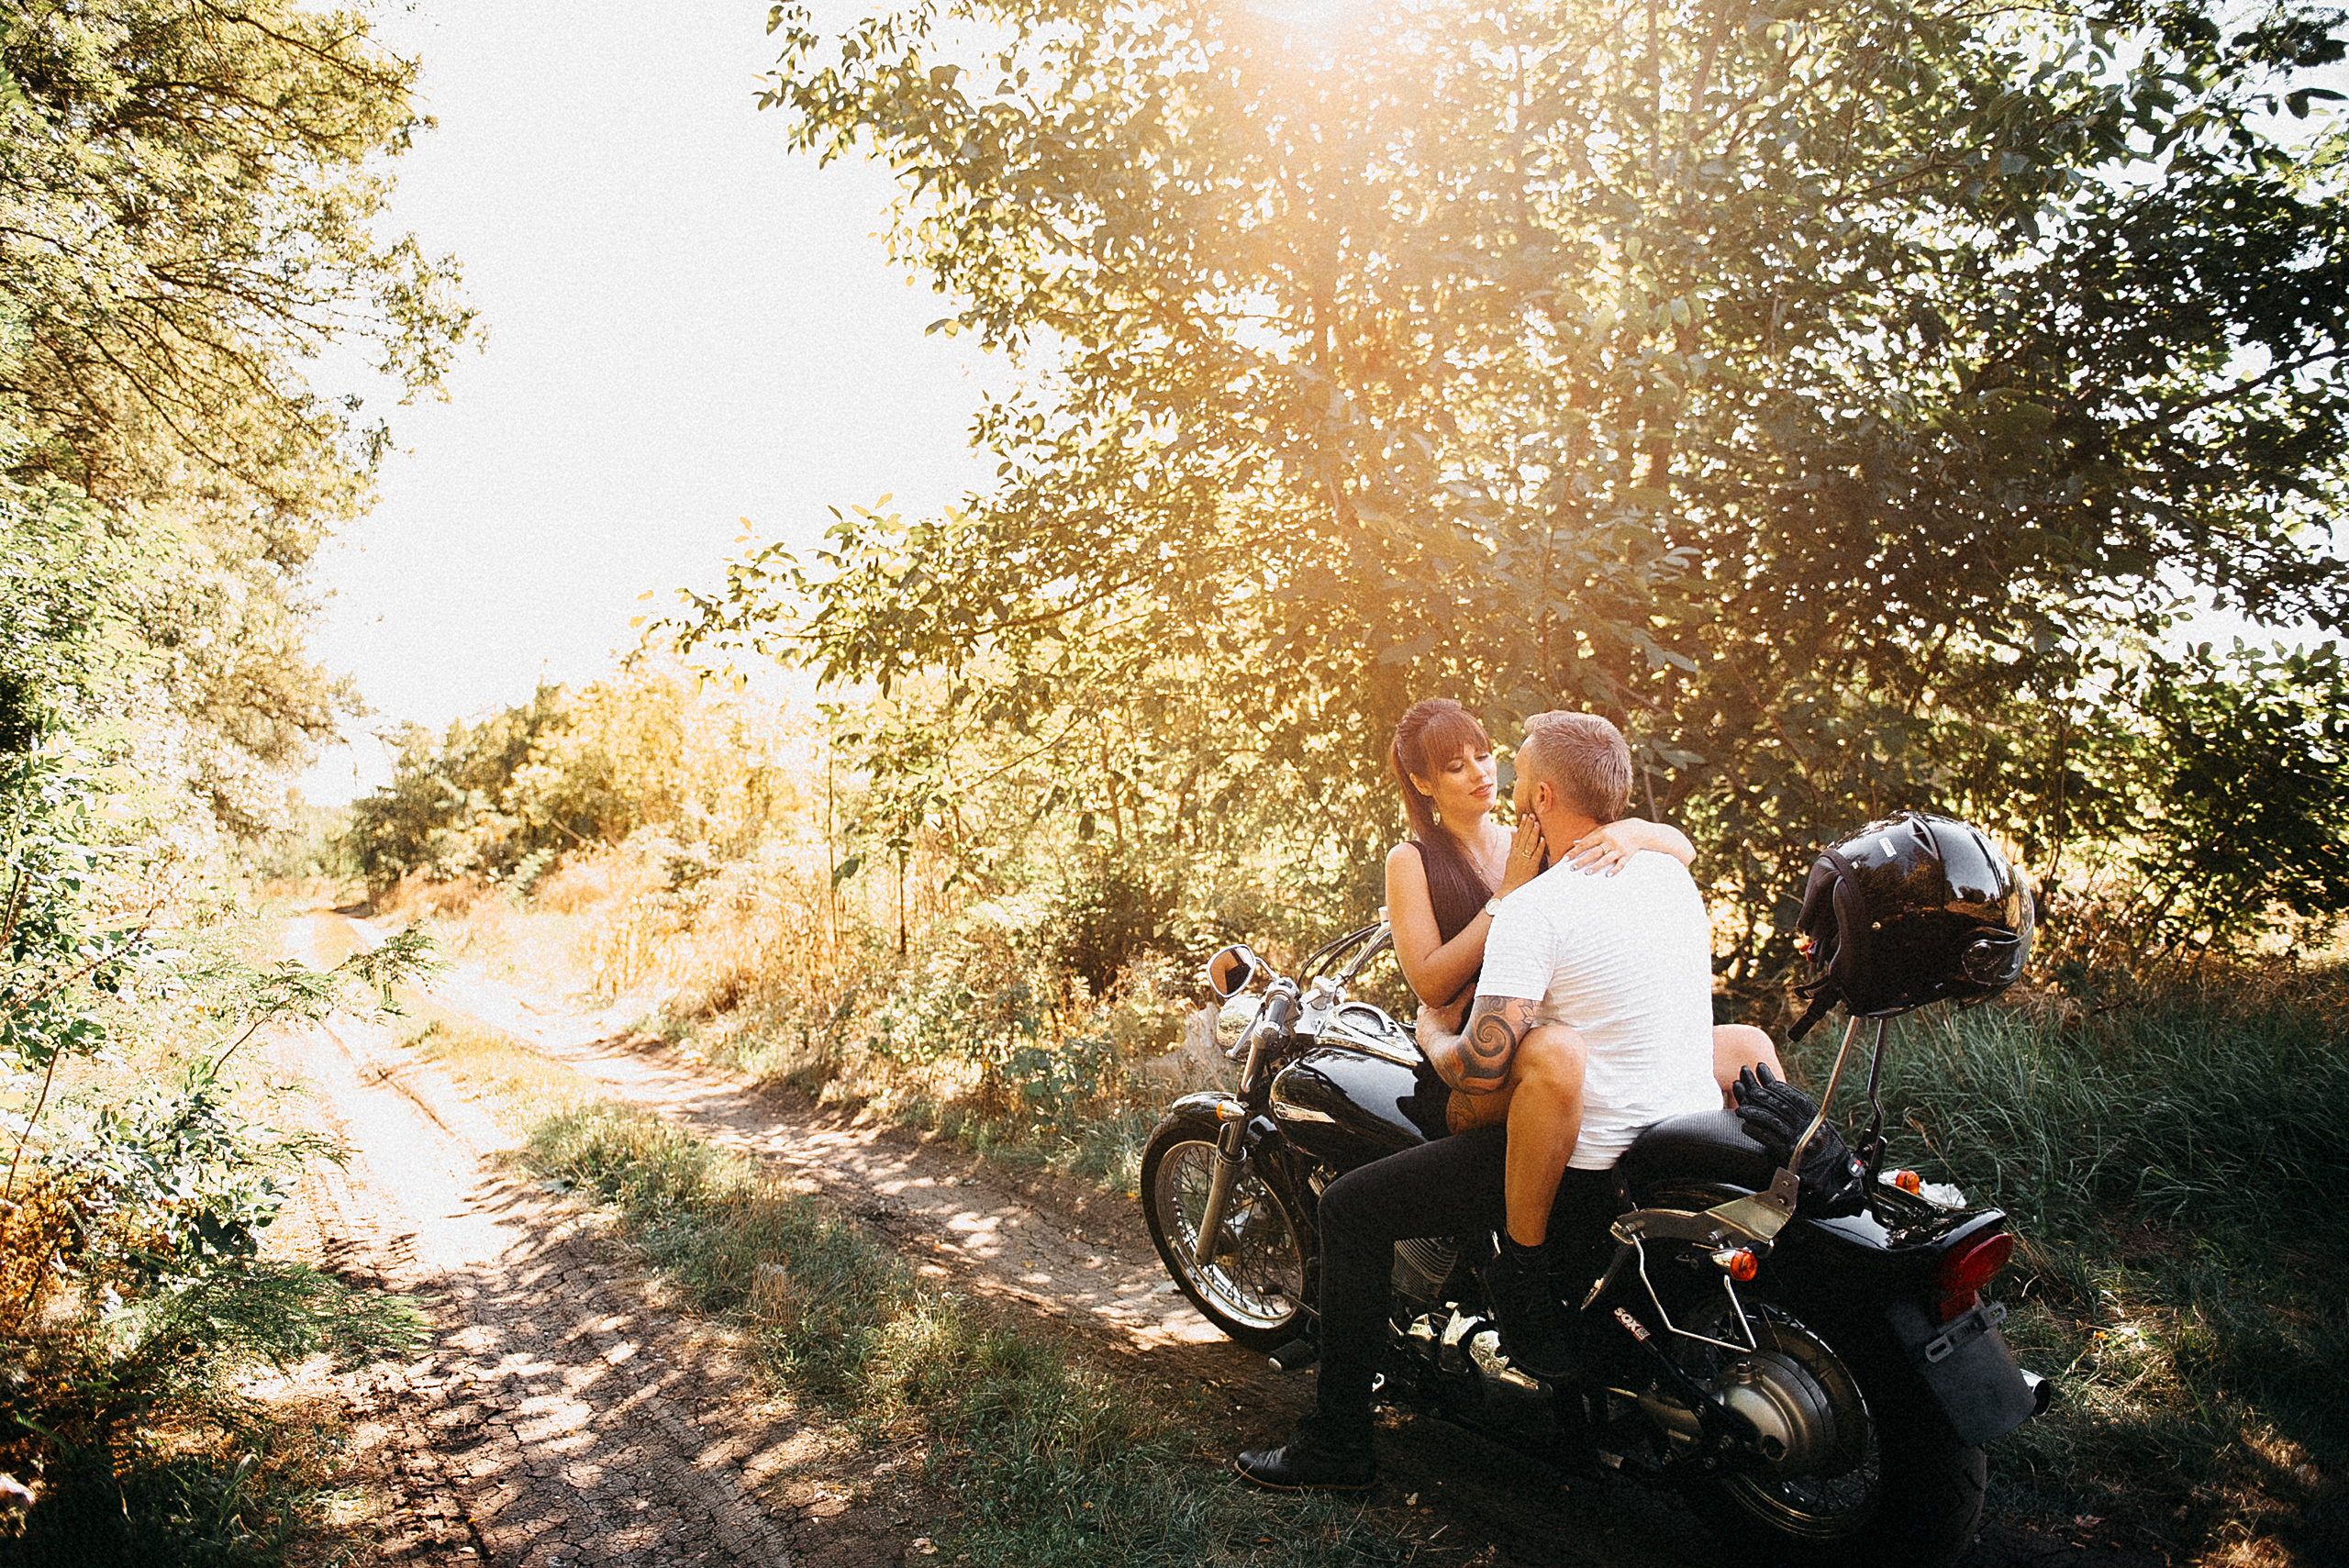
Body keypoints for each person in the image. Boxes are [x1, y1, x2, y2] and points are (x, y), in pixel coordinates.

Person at [1235, 711, 1746, 1492]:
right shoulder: (1437, 858)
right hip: (1575, 1073)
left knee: (1350, 1208)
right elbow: (1433, 973)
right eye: (1457, 763)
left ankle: (1339, 1441)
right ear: (1421, 781)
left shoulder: (1543, 875)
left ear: (1539, 793)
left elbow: (1465, 1050)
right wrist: (1629, 844)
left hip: (1519, 1079)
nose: (1483, 773)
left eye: (1490, 757)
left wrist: (1635, 833)